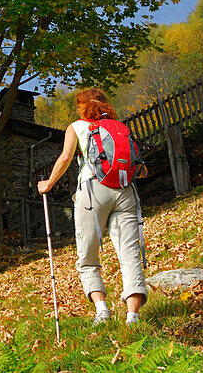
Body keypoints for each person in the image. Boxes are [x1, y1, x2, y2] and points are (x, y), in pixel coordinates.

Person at [37, 88, 147, 326]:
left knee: (88, 256)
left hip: (92, 190)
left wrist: (49, 183)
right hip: (125, 190)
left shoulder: (76, 126)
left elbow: (66, 158)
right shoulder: (118, 127)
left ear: (81, 107)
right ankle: (133, 317)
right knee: (129, 255)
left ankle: (102, 311)